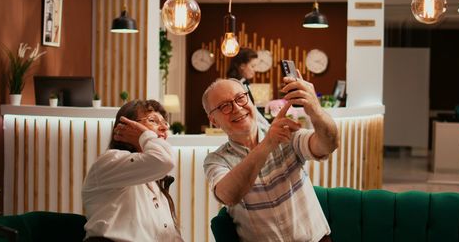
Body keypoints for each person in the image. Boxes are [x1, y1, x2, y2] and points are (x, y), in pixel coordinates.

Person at [202, 73, 339, 241]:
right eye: (224, 106)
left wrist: (316, 111)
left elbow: (328, 144)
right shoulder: (216, 160)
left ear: (250, 100)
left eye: (240, 98)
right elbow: (229, 195)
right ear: (213, 120)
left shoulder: (286, 134)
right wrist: (267, 144)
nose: (237, 108)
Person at [82, 100, 183, 242]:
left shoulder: (153, 180)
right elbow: (165, 160)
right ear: (126, 127)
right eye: (153, 120)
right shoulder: (109, 162)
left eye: (165, 123)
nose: (163, 128)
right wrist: (144, 136)